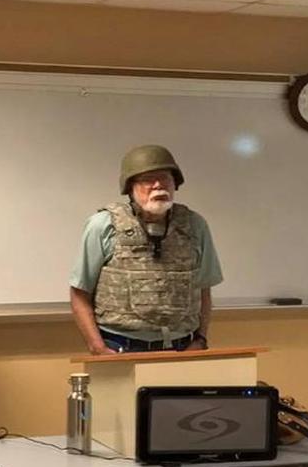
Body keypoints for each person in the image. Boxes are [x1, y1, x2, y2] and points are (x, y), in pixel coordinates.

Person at [69, 145, 223, 354]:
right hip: (120, 347)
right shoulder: (103, 226)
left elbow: (203, 289)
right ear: (130, 187)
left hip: (183, 348)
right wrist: (96, 346)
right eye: (148, 179)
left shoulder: (194, 226)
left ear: (175, 184)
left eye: (165, 178)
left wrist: (201, 339)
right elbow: (79, 292)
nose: (158, 185)